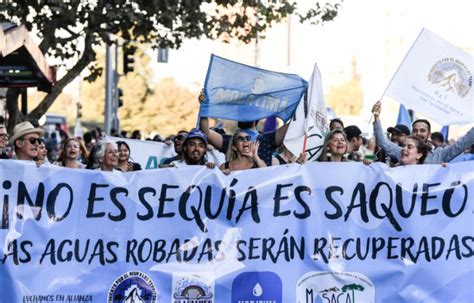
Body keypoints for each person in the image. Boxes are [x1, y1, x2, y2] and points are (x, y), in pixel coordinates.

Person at [371, 101, 474, 164]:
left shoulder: (439, 155)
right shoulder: (403, 152)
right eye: (415, 130)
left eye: (422, 131)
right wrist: (376, 117)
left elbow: (462, 144)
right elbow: (382, 142)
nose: (418, 133)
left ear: (429, 134)